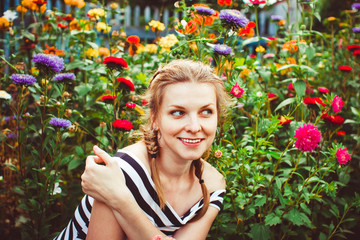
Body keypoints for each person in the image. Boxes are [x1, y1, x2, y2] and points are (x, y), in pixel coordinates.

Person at [54, 59, 231, 240]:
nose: (194, 127)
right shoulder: (121, 173)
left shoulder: (211, 185)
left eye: (206, 111)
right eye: (178, 112)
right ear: (154, 118)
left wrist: (120, 200)